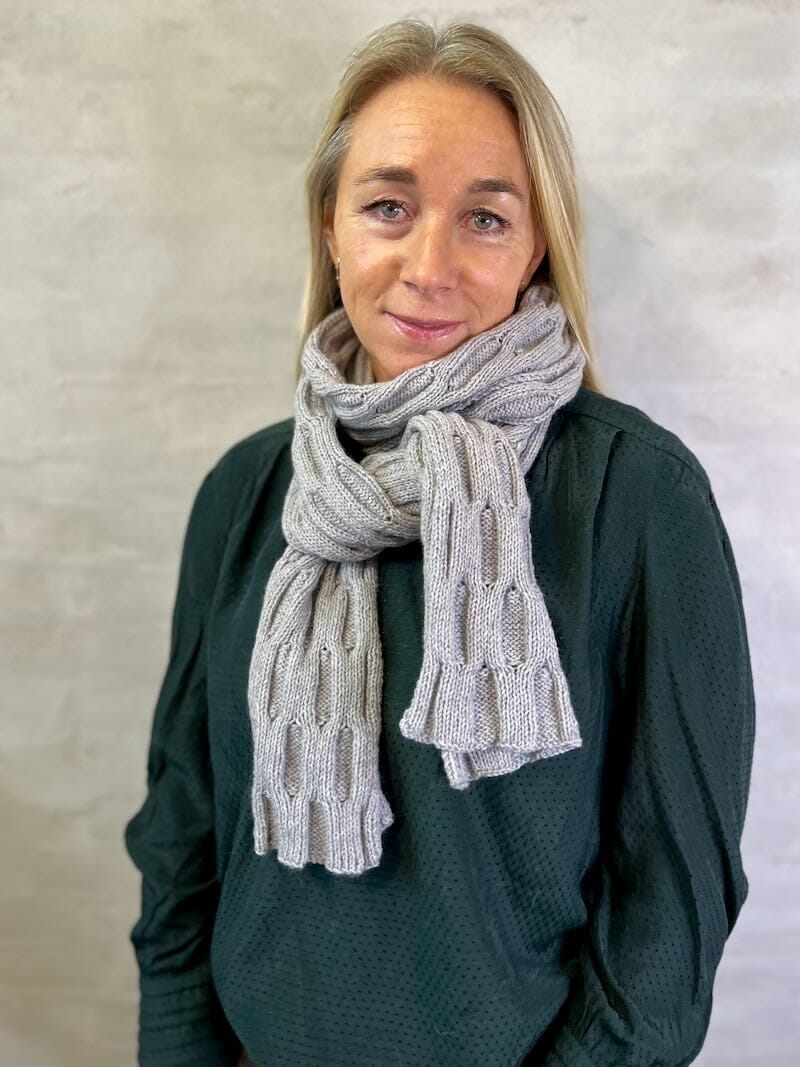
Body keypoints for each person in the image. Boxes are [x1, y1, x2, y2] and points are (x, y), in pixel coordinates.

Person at [123, 17, 756, 1067]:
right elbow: (182, 843)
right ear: (331, 228)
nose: (431, 266)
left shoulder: (638, 500)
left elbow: (670, 907)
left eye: (485, 219)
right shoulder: (245, 495)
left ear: (536, 245)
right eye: (387, 206)